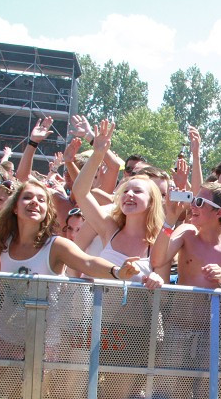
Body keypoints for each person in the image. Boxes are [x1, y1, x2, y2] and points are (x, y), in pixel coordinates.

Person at [0, 177, 139, 358]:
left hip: (44, 340)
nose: (34, 202)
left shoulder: (56, 245)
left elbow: (88, 262)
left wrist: (117, 271)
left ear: (47, 210)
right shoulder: (2, 244)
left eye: (41, 200)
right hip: (5, 336)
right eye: (27, 197)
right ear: (15, 207)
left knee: (34, 388)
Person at [70, 119, 167, 289]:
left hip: (133, 315)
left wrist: (157, 280)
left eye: (137, 192)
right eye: (125, 191)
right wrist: (98, 154)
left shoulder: (159, 240)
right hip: (94, 313)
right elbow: (81, 192)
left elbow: (164, 297)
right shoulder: (109, 229)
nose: (129, 194)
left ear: (152, 201)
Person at [159, 182, 221, 290]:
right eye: (194, 200)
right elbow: (157, 261)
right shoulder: (186, 234)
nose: (192, 205)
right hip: (183, 306)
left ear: (219, 212)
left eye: (199, 202)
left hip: (215, 306)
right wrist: (170, 219)